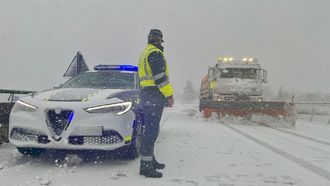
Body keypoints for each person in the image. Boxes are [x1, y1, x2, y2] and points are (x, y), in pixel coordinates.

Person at [137, 29, 175, 178]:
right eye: (159, 39)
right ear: (159, 40)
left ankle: (150, 160)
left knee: (150, 130)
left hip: (147, 94)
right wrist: (169, 95)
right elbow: (160, 78)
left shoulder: (145, 53)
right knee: (151, 131)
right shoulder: (155, 53)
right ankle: (146, 166)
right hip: (154, 95)